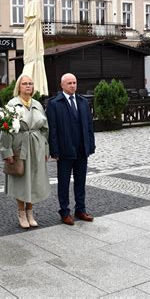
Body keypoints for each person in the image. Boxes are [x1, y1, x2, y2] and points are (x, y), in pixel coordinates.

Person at [0, 75, 50, 229]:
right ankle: (21, 212)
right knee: (22, 180)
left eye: (30, 84)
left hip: (36, 146)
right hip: (19, 146)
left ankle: (30, 212)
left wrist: (46, 149)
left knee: (33, 180)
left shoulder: (37, 104)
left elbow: (45, 128)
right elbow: (6, 129)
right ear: (19, 87)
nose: (28, 86)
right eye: (25, 84)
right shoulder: (12, 104)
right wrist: (6, 151)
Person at [46, 73, 96, 226]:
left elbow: (89, 126)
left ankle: (80, 209)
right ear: (62, 85)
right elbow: (52, 130)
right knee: (64, 183)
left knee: (80, 181)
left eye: (74, 82)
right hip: (64, 150)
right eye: (69, 83)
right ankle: (65, 211)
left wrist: (90, 145)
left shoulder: (82, 102)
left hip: (81, 150)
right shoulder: (54, 104)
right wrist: (54, 151)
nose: (73, 85)